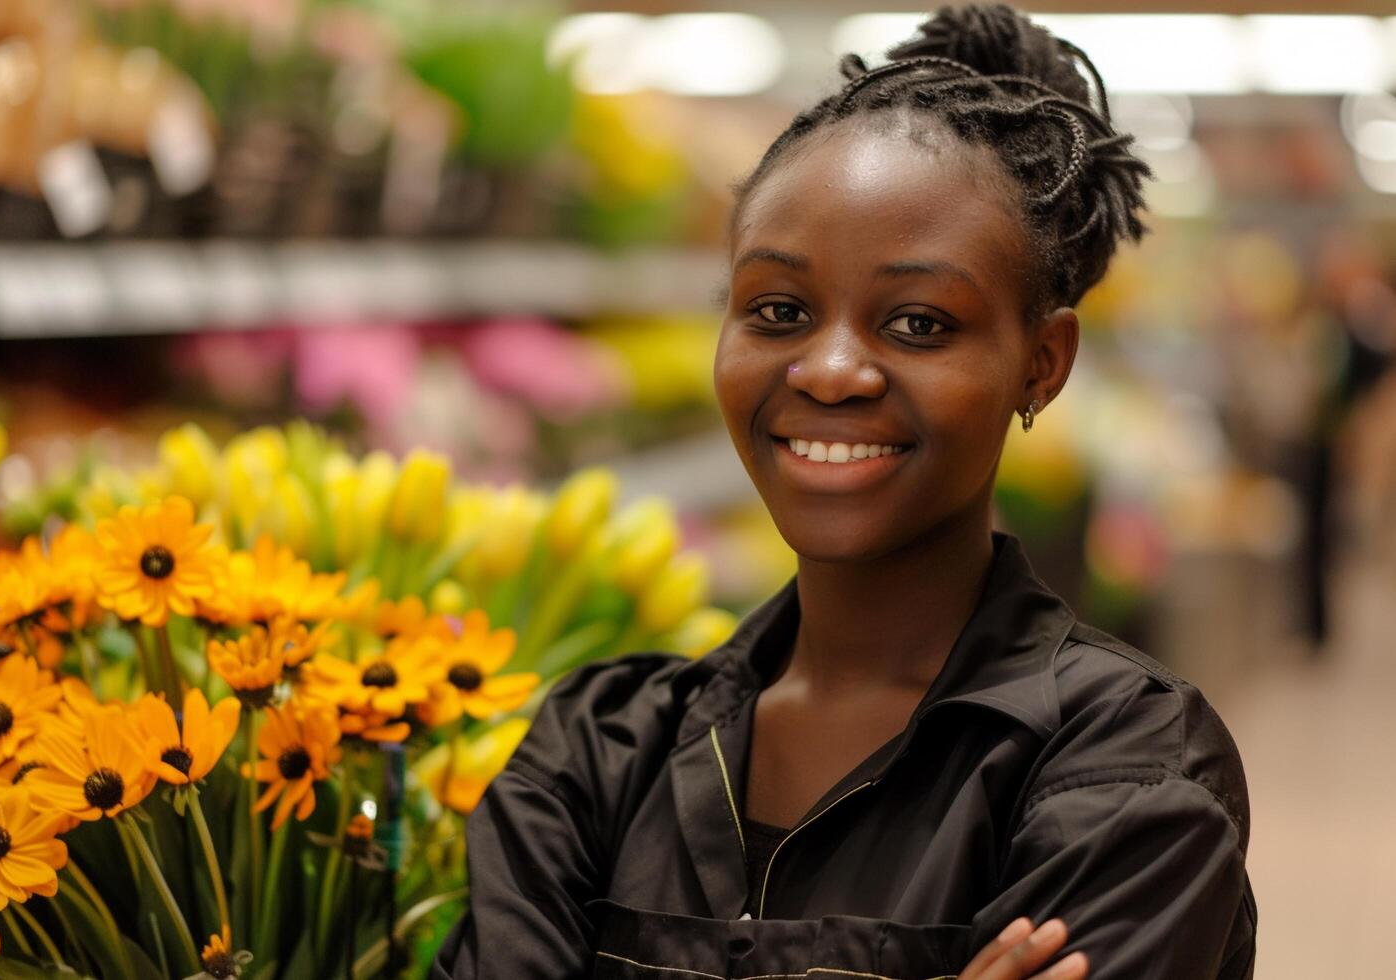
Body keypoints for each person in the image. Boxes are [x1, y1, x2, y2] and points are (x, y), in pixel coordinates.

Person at [432, 4, 1255, 978]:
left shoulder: (1124, 769)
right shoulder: (597, 751)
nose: (828, 369)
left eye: (916, 323)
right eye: (778, 310)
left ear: (1042, 362)